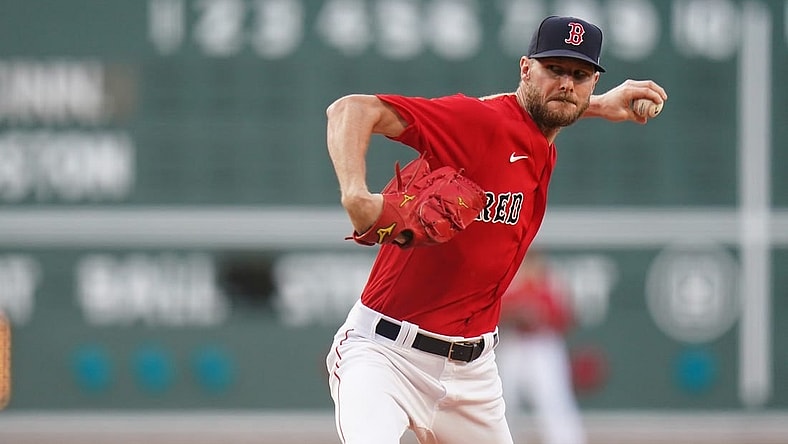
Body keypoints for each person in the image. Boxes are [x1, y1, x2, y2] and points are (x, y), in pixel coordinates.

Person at [324, 15, 667, 444]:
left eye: (580, 75)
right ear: (525, 69)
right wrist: (356, 196)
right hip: (385, 356)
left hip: (474, 376)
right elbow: (351, 108)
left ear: (593, 82)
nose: (566, 83)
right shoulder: (478, 124)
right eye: (554, 69)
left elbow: (544, 112)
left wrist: (597, 106)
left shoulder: (540, 141)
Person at [497, 250, 585, 444]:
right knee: (502, 402)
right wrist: (517, 312)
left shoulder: (551, 284)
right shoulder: (511, 282)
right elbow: (497, 313)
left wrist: (539, 314)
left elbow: (567, 317)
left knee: (553, 400)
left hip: (543, 345)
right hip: (513, 344)